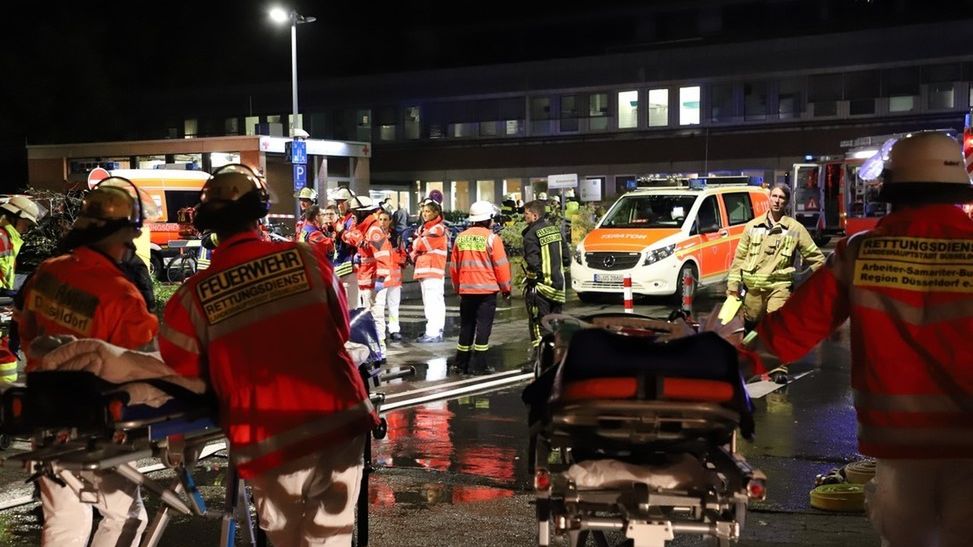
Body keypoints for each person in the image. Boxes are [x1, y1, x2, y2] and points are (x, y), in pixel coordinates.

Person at [754, 132, 973, 547]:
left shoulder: (862, 253)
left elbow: (791, 331)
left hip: (900, 449)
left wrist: (724, 358)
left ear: (893, 190)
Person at [159, 164, 379, 546]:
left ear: (211, 224)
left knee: (287, 539)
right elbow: (340, 329)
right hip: (337, 421)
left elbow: (183, 376)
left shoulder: (192, 296)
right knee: (332, 538)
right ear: (260, 213)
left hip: (269, 437)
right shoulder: (308, 260)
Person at [17, 178, 158, 547]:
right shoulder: (120, 292)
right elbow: (141, 362)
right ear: (122, 236)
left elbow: (25, 330)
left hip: (44, 411)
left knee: (65, 524)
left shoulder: (47, 272)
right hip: (98, 421)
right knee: (125, 516)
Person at [726, 182, 825, 330]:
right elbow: (739, 258)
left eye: (782, 197)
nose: (777, 200)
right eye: (774, 196)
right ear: (769, 198)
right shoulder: (752, 226)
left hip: (779, 289)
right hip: (754, 290)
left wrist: (827, 286)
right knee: (751, 325)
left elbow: (816, 258)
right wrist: (733, 289)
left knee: (774, 325)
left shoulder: (795, 228)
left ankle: (770, 351)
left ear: (787, 202)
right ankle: (752, 351)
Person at [450, 201, 512, 375]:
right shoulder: (492, 238)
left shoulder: (460, 238)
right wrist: (506, 289)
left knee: (466, 327)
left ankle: (460, 364)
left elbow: (454, 267)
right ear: (488, 219)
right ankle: (479, 365)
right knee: (483, 328)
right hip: (487, 292)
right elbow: (501, 266)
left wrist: (457, 288)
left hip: (466, 291)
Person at [0, 195, 43, 382]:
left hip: (3, 302)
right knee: (4, 352)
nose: (26, 228)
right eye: (25, 223)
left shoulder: (8, 238)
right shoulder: (2, 238)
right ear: (15, 217)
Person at [522, 200, 566, 360]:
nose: (524, 217)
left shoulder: (530, 235)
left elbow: (533, 262)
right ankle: (556, 355)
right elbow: (566, 257)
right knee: (555, 323)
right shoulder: (555, 230)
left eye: (526, 214)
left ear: (535, 215)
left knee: (538, 324)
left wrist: (534, 278)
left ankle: (540, 358)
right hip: (558, 286)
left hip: (541, 288)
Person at [351, 197, 393, 353]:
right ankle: (375, 348)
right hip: (366, 279)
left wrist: (380, 281)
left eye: (354, 211)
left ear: (362, 212)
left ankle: (379, 349)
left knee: (376, 315)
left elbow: (383, 257)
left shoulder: (373, 231)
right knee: (370, 315)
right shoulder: (366, 229)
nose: (352, 214)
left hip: (373, 281)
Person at [410, 200, 448, 343]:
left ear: (436, 213)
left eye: (428, 211)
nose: (425, 214)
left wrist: (416, 244)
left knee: (433, 302)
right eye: (424, 211)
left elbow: (420, 244)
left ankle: (433, 332)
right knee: (431, 302)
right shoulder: (426, 229)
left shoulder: (437, 229)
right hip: (427, 270)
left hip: (433, 270)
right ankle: (433, 330)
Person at [332, 187, 360, 307]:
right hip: (341, 265)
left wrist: (341, 231)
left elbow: (354, 240)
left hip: (350, 267)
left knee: (351, 306)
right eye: (337, 203)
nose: (339, 206)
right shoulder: (342, 220)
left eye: (342, 202)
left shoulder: (352, 221)